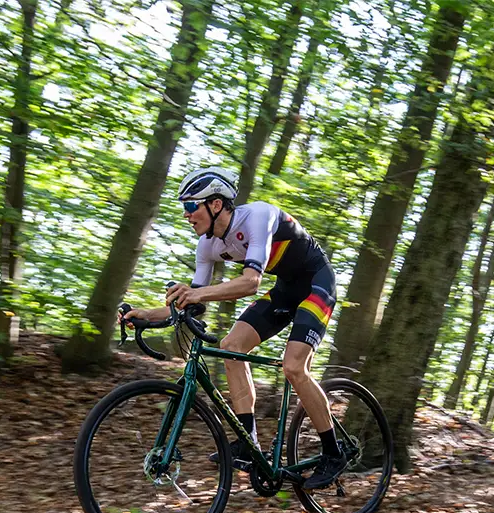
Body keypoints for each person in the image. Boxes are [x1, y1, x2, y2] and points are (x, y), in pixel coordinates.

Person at [122, 166, 345, 491]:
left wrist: (195, 292)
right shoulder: (208, 245)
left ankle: (333, 453)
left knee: (294, 366)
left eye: (190, 206)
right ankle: (248, 441)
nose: (186, 215)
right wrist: (145, 314)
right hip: (286, 288)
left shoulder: (257, 216)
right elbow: (194, 302)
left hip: (317, 283)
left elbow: (251, 282)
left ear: (215, 204)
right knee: (230, 347)